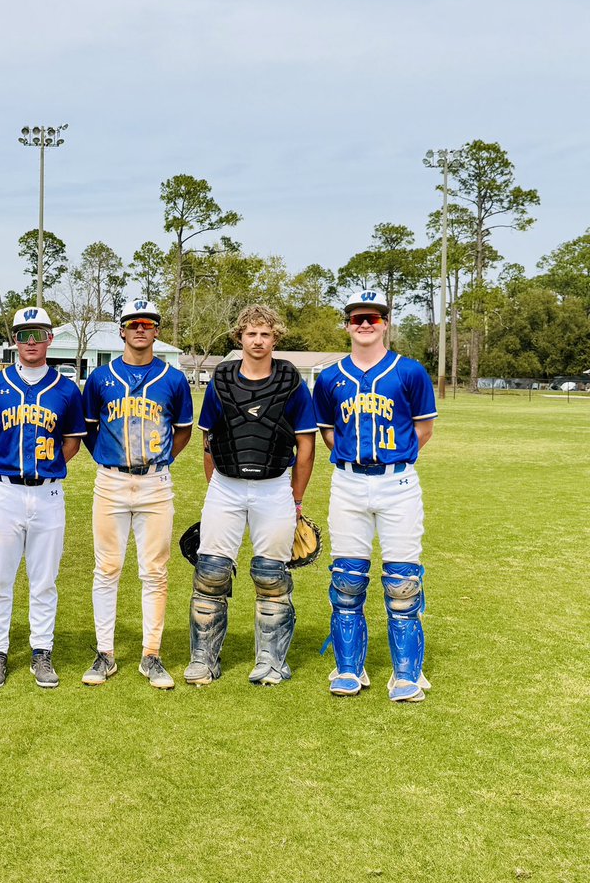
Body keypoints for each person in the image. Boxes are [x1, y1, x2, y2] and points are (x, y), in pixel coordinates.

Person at [313, 289, 438, 702]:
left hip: (398, 482)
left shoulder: (410, 372)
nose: (365, 325)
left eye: (374, 318)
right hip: (348, 483)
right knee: (347, 579)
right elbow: (329, 433)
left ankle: (407, 674)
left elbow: (423, 430)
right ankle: (349, 669)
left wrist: (392, 463)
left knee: (402, 581)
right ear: (347, 324)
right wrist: (355, 463)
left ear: (386, 323)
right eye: (357, 318)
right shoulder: (330, 377)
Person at [183, 304, 317, 687]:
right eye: (250, 333)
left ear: (276, 338)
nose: (258, 340)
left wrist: (296, 499)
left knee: (271, 576)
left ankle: (270, 661)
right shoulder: (222, 378)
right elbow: (207, 440)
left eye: (265, 333)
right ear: (239, 337)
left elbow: (306, 446)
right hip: (226, 485)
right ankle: (203, 658)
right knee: (210, 571)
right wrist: (216, 490)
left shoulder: (290, 380)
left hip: (274, 487)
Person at [0, 306, 87, 689]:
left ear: (51, 339)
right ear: (14, 340)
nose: (31, 342)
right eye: (24, 334)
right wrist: (7, 469)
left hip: (49, 494)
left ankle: (41, 652)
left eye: (38, 334)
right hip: (4, 493)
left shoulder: (68, 389)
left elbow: (72, 442)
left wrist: (46, 465)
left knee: (44, 580)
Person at [81, 299, 195, 689]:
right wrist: (108, 459)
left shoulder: (173, 378)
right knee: (107, 568)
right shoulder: (100, 377)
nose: (140, 330)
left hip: (155, 483)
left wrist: (160, 461)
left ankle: (151, 654)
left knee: (155, 571)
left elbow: (182, 431)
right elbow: (89, 430)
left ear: (157, 331)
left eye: (147, 324)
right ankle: (105, 653)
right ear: (122, 331)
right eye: (133, 324)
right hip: (110, 481)